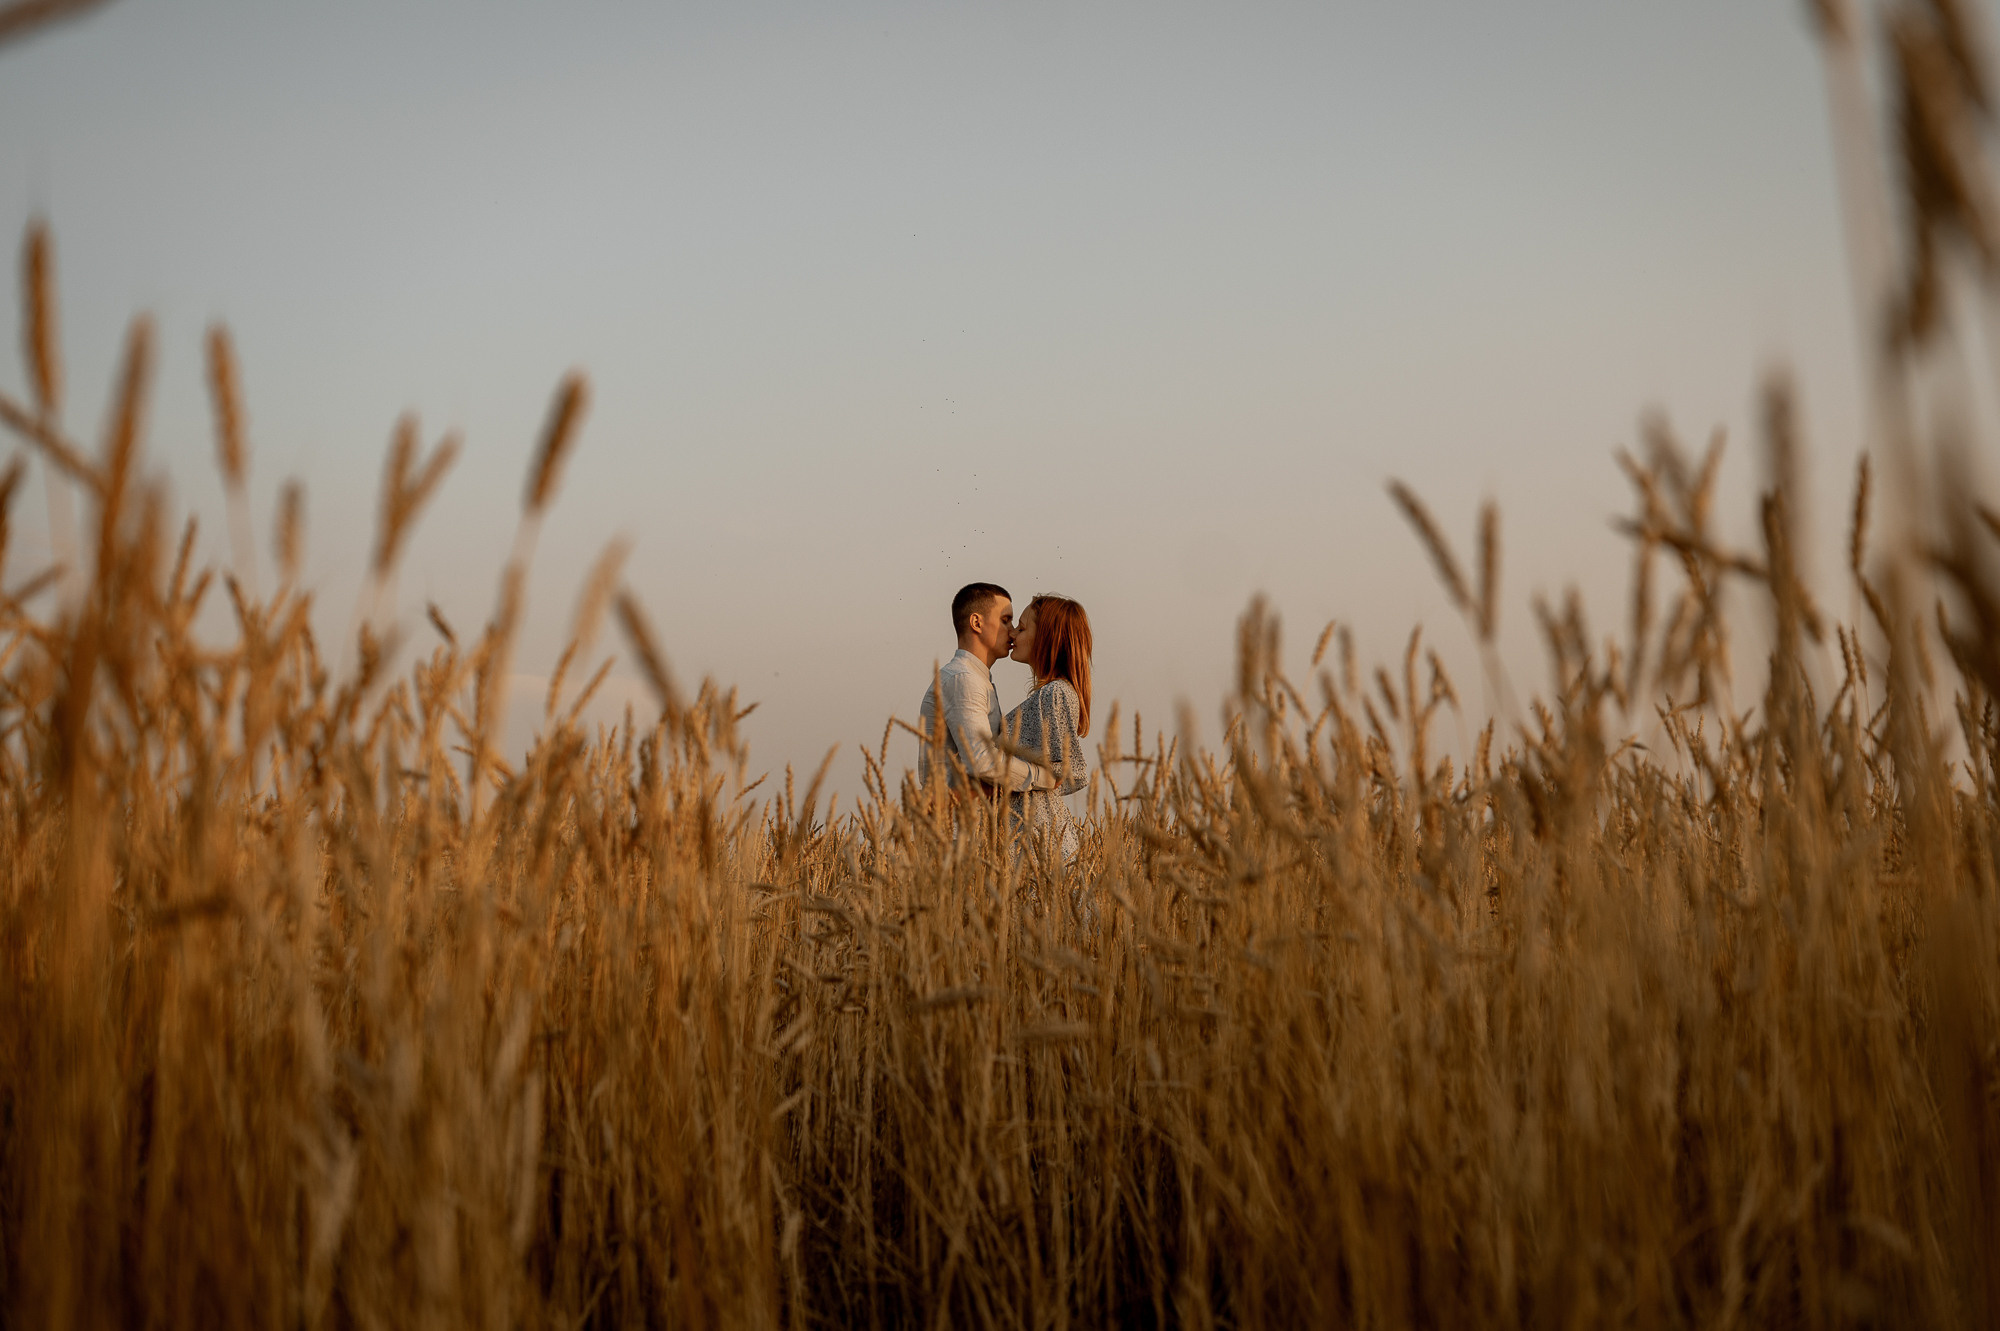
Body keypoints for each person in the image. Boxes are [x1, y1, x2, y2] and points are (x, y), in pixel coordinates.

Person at [918, 582, 1055, 799]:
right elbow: (981, 759)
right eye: (1005, 621)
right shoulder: (963, 679)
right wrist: (1043, 777)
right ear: (976, 622)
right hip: (956, 826)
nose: (1012, 633)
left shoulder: (975, 679)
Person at [1004, 594, 1092, 863]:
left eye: (1021, 628)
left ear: (1045, 637)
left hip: (1039, 840)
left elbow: (1064, 770)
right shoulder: (1048, 694)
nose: (1012, 634)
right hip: (1028, 834)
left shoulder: (1056, 694)